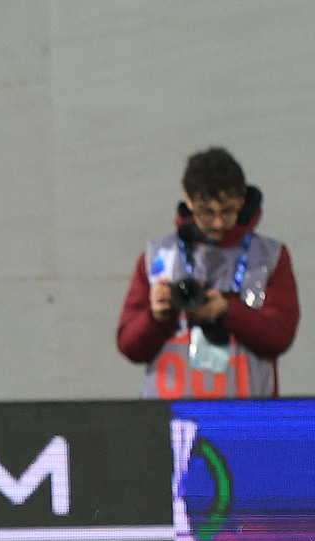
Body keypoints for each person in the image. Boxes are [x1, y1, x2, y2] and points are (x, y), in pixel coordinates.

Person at [117, 147, 300, 398]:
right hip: (169, 419)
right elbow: (129, 346)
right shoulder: (158, 257)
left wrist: (227, 311)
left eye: (227, 211)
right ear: (188, 199)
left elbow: (280, 337)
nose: (218, 222)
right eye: (207, 212)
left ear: (242, 199)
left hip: (248, 418)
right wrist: (157, 317)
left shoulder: (270, 256)